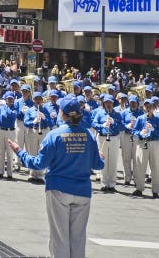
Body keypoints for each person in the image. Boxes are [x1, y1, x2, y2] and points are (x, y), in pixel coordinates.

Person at [10, 96, 105, 258]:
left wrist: (20, 152)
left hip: (59, 189)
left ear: (63, 113)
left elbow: (39, 164)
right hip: (82, 191)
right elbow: (98, 165)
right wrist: (100, 157)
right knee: (78, 239)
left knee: (59, 238)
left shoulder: (54, 135)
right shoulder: (88, 135)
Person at [131, 98, 159, 198]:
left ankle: (155, 190)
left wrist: (153, 130)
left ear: (153, 108)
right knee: (140, 166)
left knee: (155, 167)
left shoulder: (157, 119)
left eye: (150, 106)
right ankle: (139, 188)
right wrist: (140, 133)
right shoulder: (140, 118)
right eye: (146, 106)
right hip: (142, 142)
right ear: (144, 107)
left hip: (153, 143)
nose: (148, 108)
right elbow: (134, 131)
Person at [91, 94, 121, 192]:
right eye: (106, 102)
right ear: (104, 103)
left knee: (113, 161)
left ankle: (112, 184)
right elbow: (94, 124)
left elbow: (122, 126)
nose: (108, 104)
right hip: (103, 137)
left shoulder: (117, 114)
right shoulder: (100, 113)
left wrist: (114, 123)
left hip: (114, 138)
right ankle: (104, 183)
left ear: (113, 103)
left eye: (110, 103)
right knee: (103, 160)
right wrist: (102, 125)